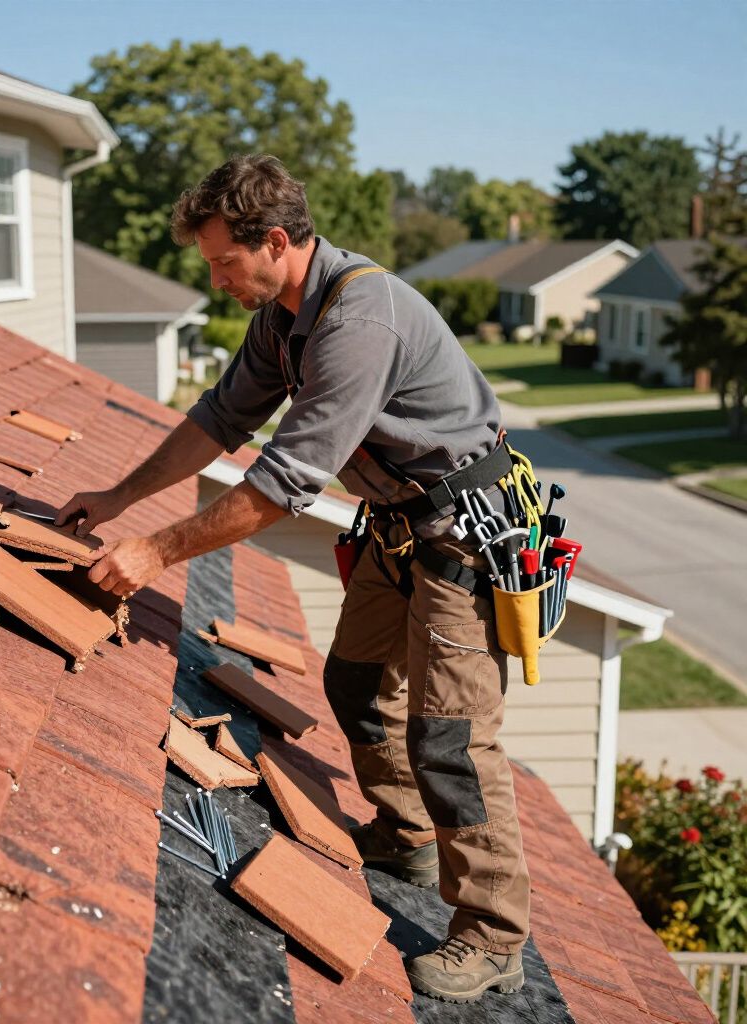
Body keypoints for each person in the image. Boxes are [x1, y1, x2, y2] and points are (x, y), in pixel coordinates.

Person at [57, 154, 529, 1004]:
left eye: (222, 261)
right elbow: (220, 419)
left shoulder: (361, 322)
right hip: (398, 525)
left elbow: (280, 485)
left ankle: (493, 936)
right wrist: (119, 496)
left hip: (463, 533)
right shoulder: (284, 316)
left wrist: (156, 553)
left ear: (275, 241)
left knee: (450, 740)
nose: (214, 278)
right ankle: (408, 831)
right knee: (352, 685)